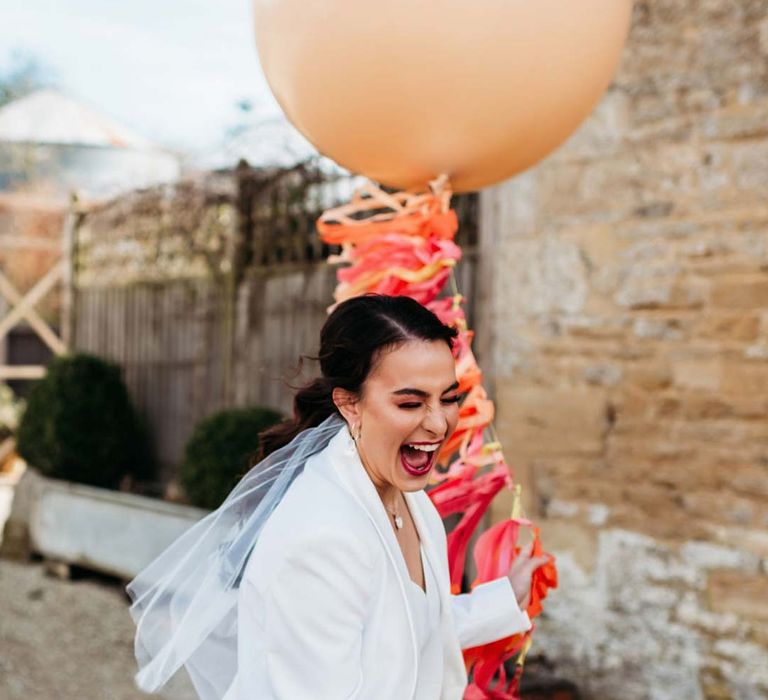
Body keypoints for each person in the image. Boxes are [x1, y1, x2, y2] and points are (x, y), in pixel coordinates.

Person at [127, 293, 547, 700]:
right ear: (350, 405)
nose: (438, 424)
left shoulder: (403, 494)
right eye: (410, 403)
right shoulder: (320, 538)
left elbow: (404, 632)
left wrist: (503, 599)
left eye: (449, 398)